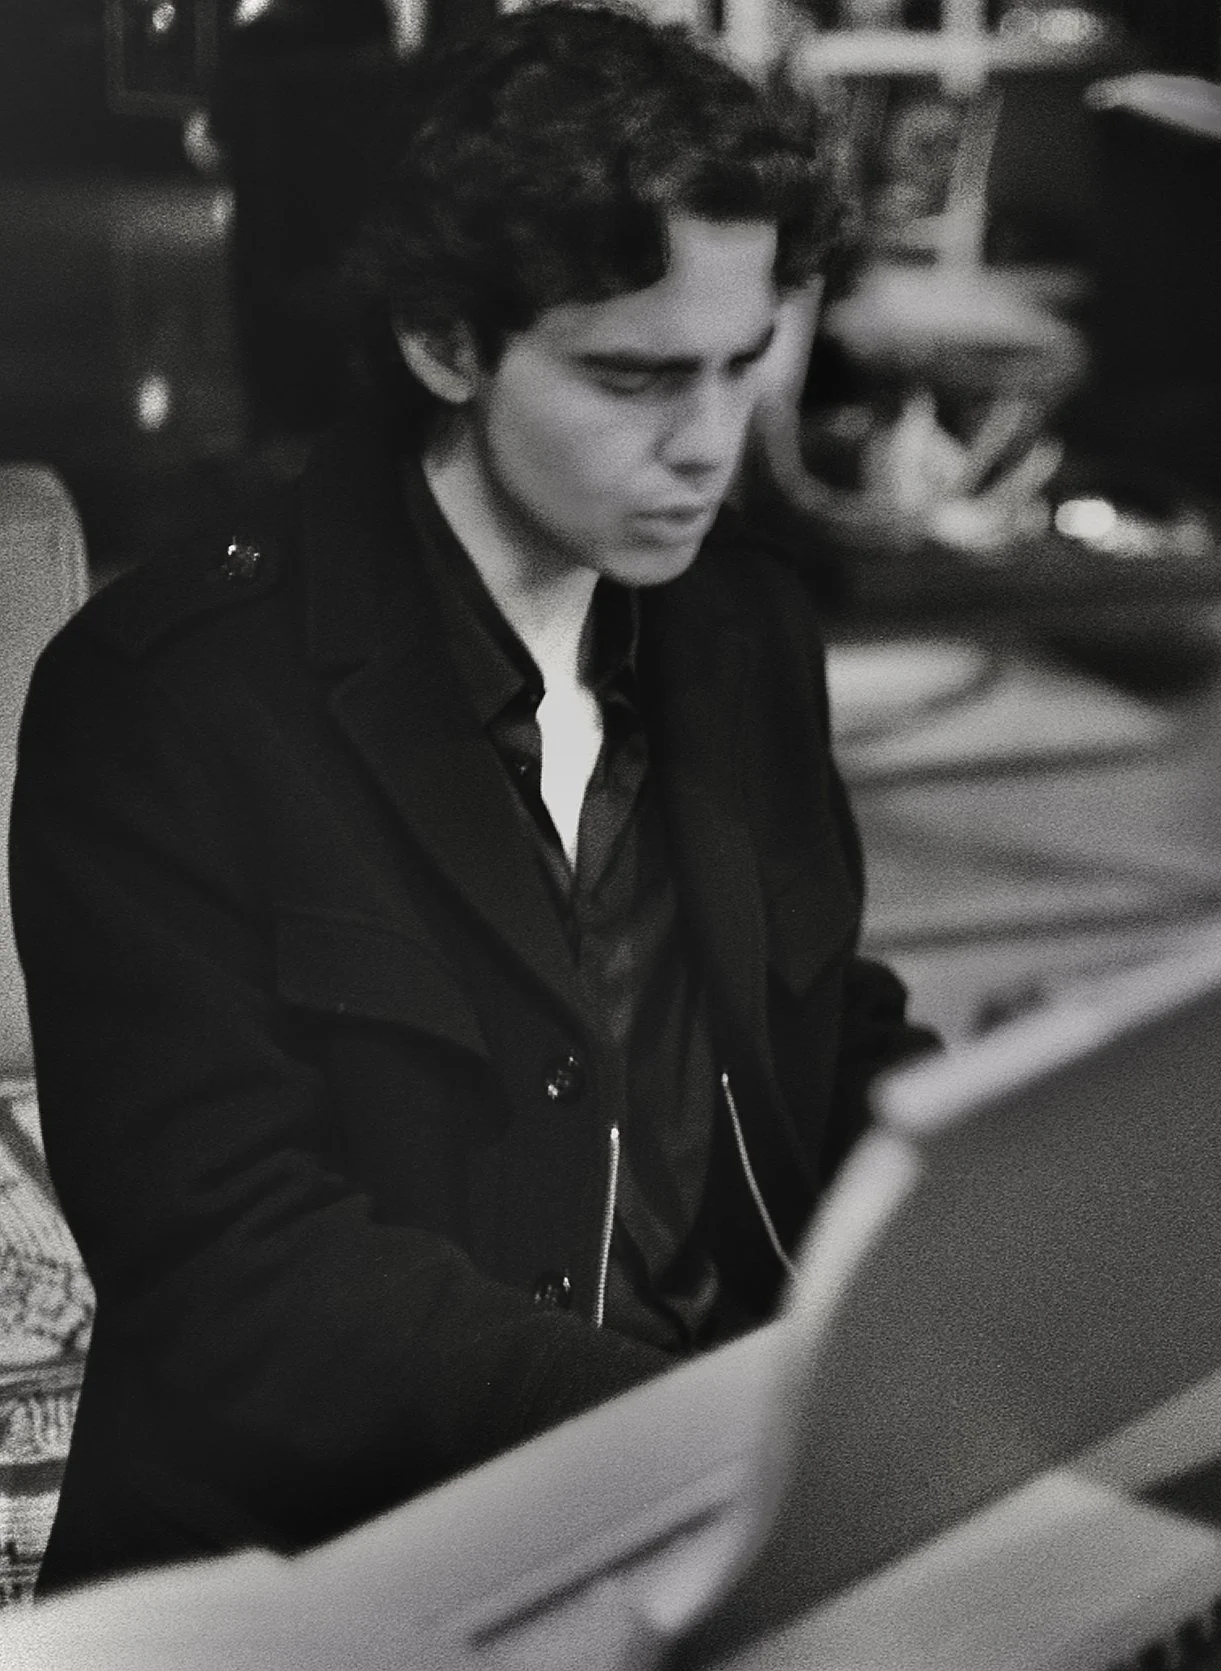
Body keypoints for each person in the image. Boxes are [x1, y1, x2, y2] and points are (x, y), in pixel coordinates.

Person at [9, 2, 932, 1589]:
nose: (708, 447)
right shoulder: (167, 698)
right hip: (340, 1564)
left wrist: (1006, 1240)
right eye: (636, 380)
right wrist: (704, 1434)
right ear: (446, 342)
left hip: (711, 1517)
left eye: (741, 366)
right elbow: (253, 1281)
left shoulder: (744, 629)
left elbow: (822, 1045)